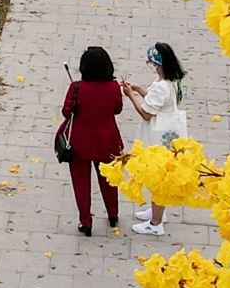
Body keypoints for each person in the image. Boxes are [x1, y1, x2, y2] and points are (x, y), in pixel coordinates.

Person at [121, 44, 188, 235]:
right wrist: (140, 89)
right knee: (160, 175)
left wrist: (131, 96)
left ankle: (155, 223)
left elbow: (146, 113)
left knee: (158, 177)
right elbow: (158, 102)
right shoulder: (172, 81)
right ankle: (158, 212)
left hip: (160, 136)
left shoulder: (161, 87)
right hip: (171, 132)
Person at [61, 47, 127, 235]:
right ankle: (113, 214)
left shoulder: (76, 88)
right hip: (108, 141)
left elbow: (66, 112)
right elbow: (118, 109)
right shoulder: (113, 87)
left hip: (80, 143)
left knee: (81, 183)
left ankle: (86, 221)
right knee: (109, 180)